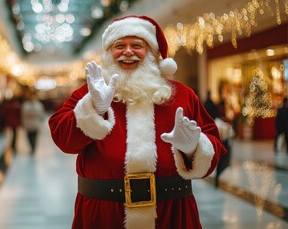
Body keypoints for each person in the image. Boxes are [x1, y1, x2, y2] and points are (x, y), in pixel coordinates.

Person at [48, 15, 226, 229]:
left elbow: (214, 146)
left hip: (171, 212)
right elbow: (62, 138)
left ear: (152, 53)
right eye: (119, 45)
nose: (128, 51)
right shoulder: (91, 93)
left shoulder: (182, 95)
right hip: (104, 214)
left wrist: (193, 149)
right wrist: (95, 109)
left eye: (137, 45)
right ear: (109, 53)